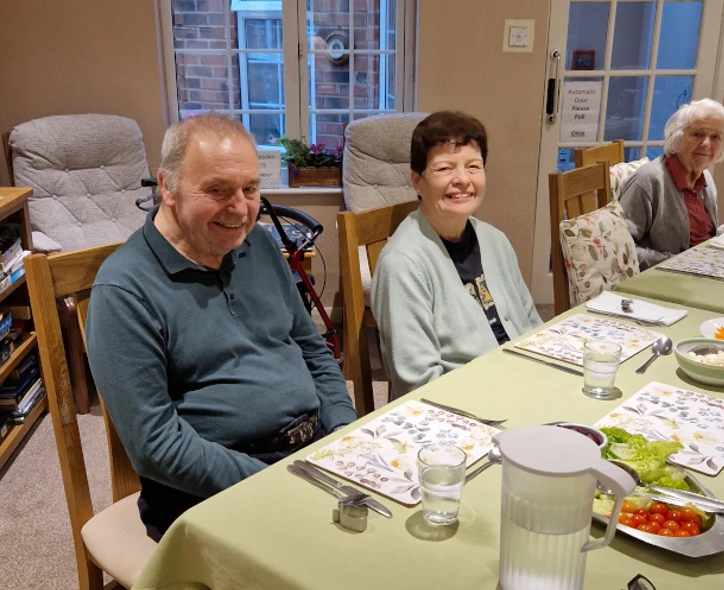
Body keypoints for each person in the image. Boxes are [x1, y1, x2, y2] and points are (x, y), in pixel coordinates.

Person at [85, 114, 357, 541]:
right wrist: (278, 483)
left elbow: (313, 350)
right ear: (167, 187)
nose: (240, 208)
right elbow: (157, 447)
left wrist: (344, 433)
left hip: (311, 453)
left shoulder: (261, 245)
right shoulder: (123, 290)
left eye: (250, 189)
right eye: (217, 190)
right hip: (211, 489)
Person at [371, 111, 544, 399]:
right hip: (462, 411)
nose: (462, 179)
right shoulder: (402, 264)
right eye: (444, 168)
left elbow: (531, 325)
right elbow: (418, 383)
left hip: (522, 386)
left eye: (473, 166)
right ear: (417, 181)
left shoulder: (494, 240)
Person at [618, 98, 724, 270]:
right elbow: (621, 251)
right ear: (677, 137)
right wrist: (682, 262)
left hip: (705, 271)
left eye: (715, 137)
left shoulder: (706, 179)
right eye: (697, 134)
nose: (706, 144)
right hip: (666, 280)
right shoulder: (650, 180)